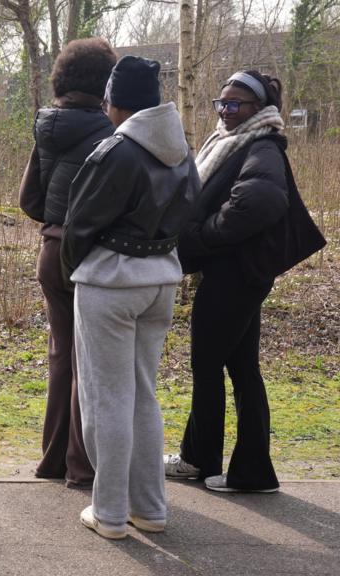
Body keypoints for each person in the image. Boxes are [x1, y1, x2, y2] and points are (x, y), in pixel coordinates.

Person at [61, 56, 198, 539]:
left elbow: (78, 225)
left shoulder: (116, 150)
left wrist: (76, 271)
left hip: (111, 284)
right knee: (142, 396)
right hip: (161, 279)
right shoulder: (181, 149)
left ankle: (110, 514)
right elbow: (191, 209)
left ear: (115, 102)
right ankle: (151, 510)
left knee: (107, 399)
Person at [165, 71, 300, 494]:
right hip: (241, 273)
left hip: (233, 275)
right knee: (242, 369)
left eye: (235, 103)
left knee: (206, 366)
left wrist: (203, 236)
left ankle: (200, 459)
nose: (225, 110)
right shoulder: (239, 140)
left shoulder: (262, 145)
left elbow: (262, 201)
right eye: (221, 103)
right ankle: (252, 471)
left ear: (258, 108)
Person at [19, 38, 117, 489]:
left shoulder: (46, 126)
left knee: (63, 357)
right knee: (89, 362)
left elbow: (30, 201)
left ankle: (53, 461)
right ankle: (82, 467)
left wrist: (58, 219)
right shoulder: (109, 133)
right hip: (89, 256)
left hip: (50, 253)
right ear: (105, 83)